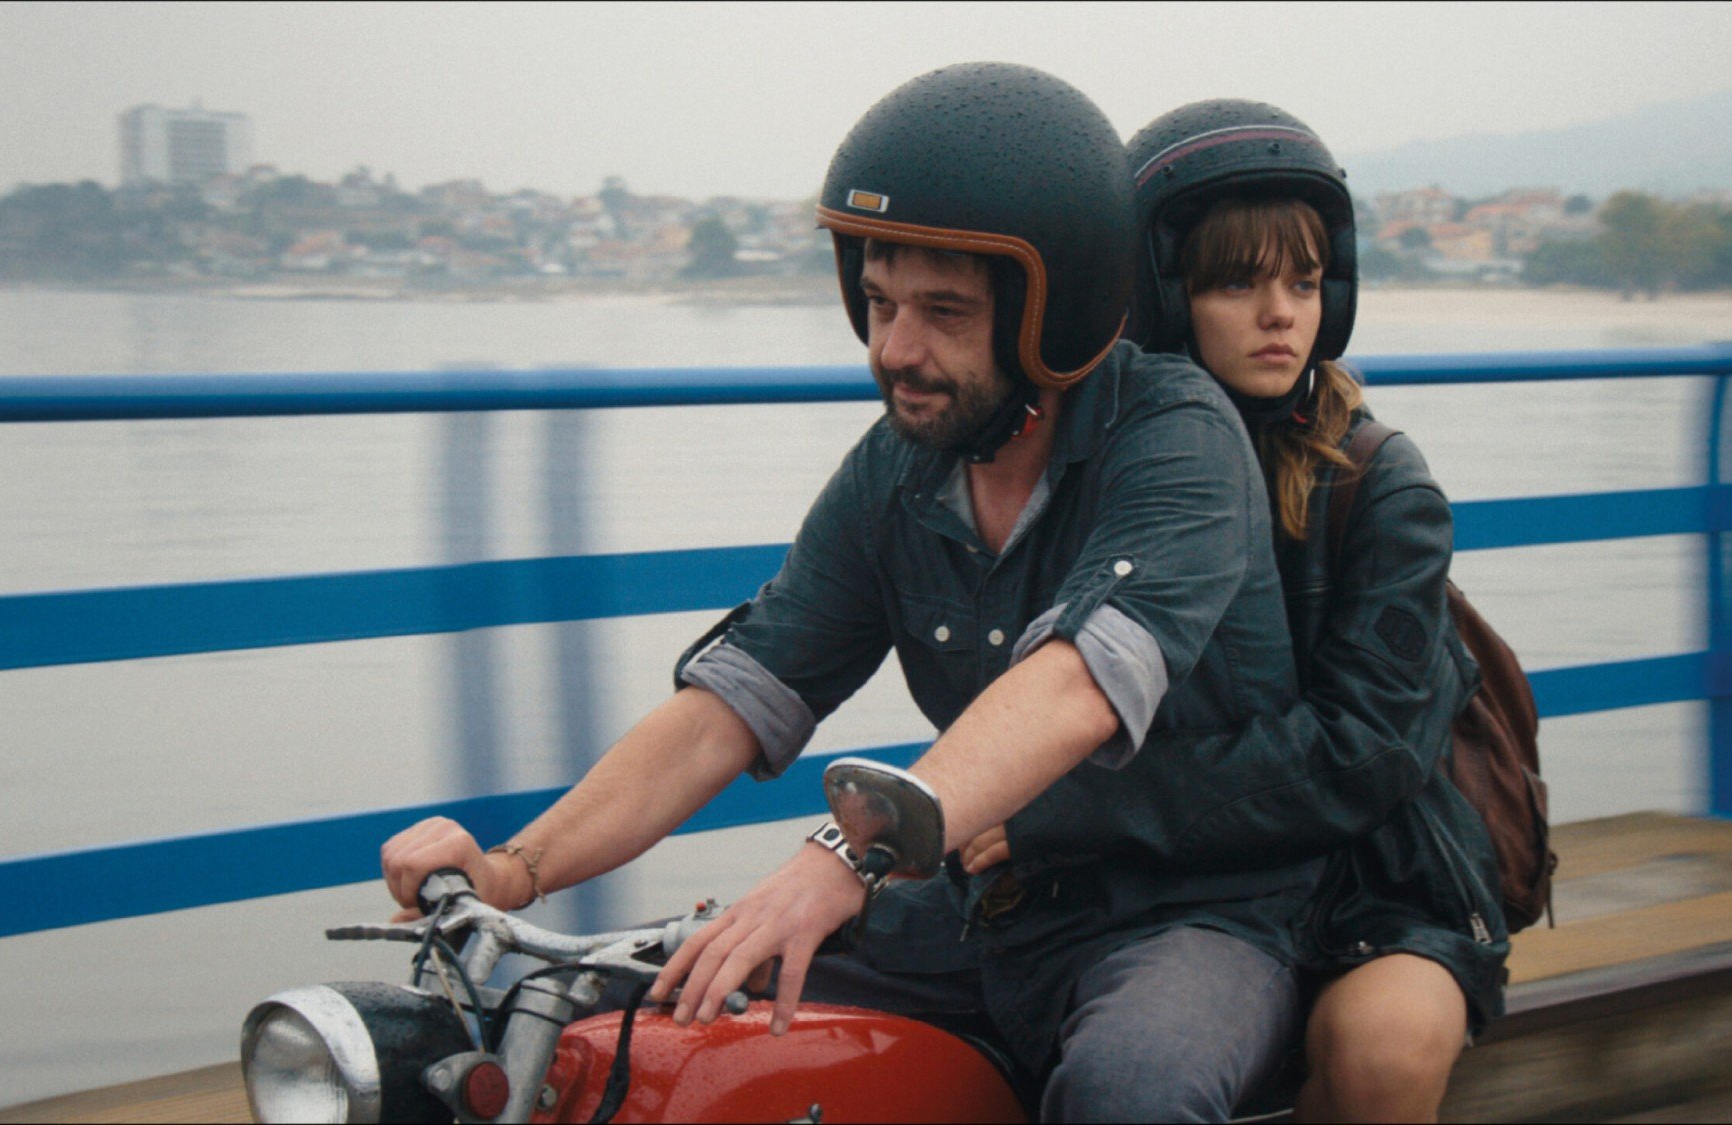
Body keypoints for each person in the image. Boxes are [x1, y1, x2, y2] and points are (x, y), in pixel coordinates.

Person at [382, 65, 1326, 1122]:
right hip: (984, 907)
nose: (892, 350)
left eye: (943, 312)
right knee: (613, 1024)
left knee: (1130, 1091)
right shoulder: (900, 465)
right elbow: (735, 702)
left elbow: (1073, 687)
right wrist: (514, 870)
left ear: (1051, 316)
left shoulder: (1176, 438)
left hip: (1190, 916)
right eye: (878, 304)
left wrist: (846, 853)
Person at [1120, 100, 1511, 1121]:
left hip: (1372, 878)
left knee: (1381, 1054)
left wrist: (1075, 812)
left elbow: (1362, 752)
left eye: (1302, 282)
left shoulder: (1377, 484)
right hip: (1169, 878)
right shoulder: (1113, 473)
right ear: (1162, 296)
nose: (1279, 315)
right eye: (1236, 283)